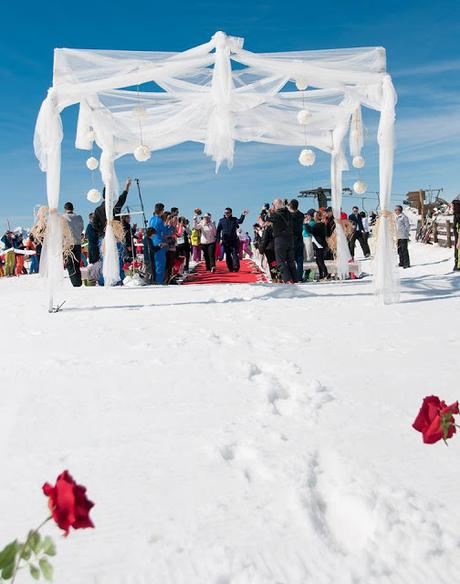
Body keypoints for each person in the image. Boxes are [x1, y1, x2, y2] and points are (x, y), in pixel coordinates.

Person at [266, 198, 297, 283]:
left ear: (275, 205)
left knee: (280, 261)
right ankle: (295, 279)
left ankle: (287, 279)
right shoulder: (289, 214)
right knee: (291, 261)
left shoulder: (275, 215)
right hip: (290, 239)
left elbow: (267, 219)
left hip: (280, 239)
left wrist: (267, 211)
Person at [216, 207, 248, 272]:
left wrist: (243, 215)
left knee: (234, 253)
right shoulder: (221, 220)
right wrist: (218, 239)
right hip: (225, 241)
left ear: (230, 213)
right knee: (228, 255)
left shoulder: (234, 219)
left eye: (227, 213)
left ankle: (236, 267)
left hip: (233, 240)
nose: (226, 214)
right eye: (225, 213)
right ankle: (230, 267)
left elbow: (240, 221)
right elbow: (218, 231)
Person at [63, 202, 84, 287]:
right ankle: (78, 281)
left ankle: (76, 283)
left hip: (68, 244)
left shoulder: (63, 218)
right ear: (73, 208)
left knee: (70, 264)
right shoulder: (79, 217)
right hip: (78, 243)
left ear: (65, 209)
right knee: (77, 263)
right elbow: (81, 228)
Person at [304, 211, 329, 280]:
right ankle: (321, 275)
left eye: (315, 216)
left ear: (317, 217)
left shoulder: (319, 224)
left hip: (319, 244)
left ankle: (326, 274)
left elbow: (311, 230)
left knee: (320, 261)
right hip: (318, 244)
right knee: (318, 261)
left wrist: (306, 224)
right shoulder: (320, 224)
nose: (313, 217)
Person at [148, 203, 169, 284]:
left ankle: (156, 280)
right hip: (159, 242)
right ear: (161, 211)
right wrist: (169, 225)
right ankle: (159, 281)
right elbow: (164, 232)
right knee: (160, 263)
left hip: (152, 241)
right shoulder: (160, 221)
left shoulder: (151, 219)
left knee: (155, 263)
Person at [288, 199, 305, 282]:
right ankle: (299, 277)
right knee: (300, 260)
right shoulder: (301, 215)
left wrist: (286, 206)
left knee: (291, 260)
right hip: (299, 239)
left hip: (291, 239)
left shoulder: (289, 215)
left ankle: (293, 277)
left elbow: (288, 213)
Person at [452, 198, 460, 271]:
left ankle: (458, 265)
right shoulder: (455, 214)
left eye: (453, 205)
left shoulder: (458, 215)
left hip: (459, 235)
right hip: (457, 235)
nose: (452, 207)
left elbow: (457, 226)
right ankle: (457, 265)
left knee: (458, 250)